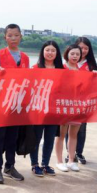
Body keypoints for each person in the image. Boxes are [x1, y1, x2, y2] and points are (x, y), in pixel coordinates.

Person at [0, 24, 28, 184]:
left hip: (17, 104)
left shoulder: (25, 57)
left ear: (20, 37)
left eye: (16, 35)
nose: (13, 38)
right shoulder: (0, 55)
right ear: (5, 37)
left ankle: (10, 166)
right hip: (1, 103)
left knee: (13, 137)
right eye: (10, 35)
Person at [29, 41, 63, 177]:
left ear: (57, 53)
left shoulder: (62, 69)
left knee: (49, 139)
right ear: (42, 52)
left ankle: (45, 164)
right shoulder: (35, 68)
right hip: (38, 109)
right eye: (47, 50)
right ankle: (34, 164)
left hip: (54, 110)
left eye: (53, 50)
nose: (50, 53)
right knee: (36, 138)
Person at [65, 36, 97, 166]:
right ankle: (69, 154)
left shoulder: (91, 65)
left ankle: (79, 152)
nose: (83, 50)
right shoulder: (68, 63)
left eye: (86, 48)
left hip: (84, 102)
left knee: (82, 129)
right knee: (67, 128)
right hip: (69, 101)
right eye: (81, 47)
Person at [55, 44, 83, 173]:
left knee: (73, 134)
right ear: (67, 54)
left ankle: (71, 161)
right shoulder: (61, 68)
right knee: (61, 134)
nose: (75, 56)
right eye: (72, 53)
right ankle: (59, 161)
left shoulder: (82, 71)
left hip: (77, 105)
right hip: (63, 105)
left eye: (77, 54)